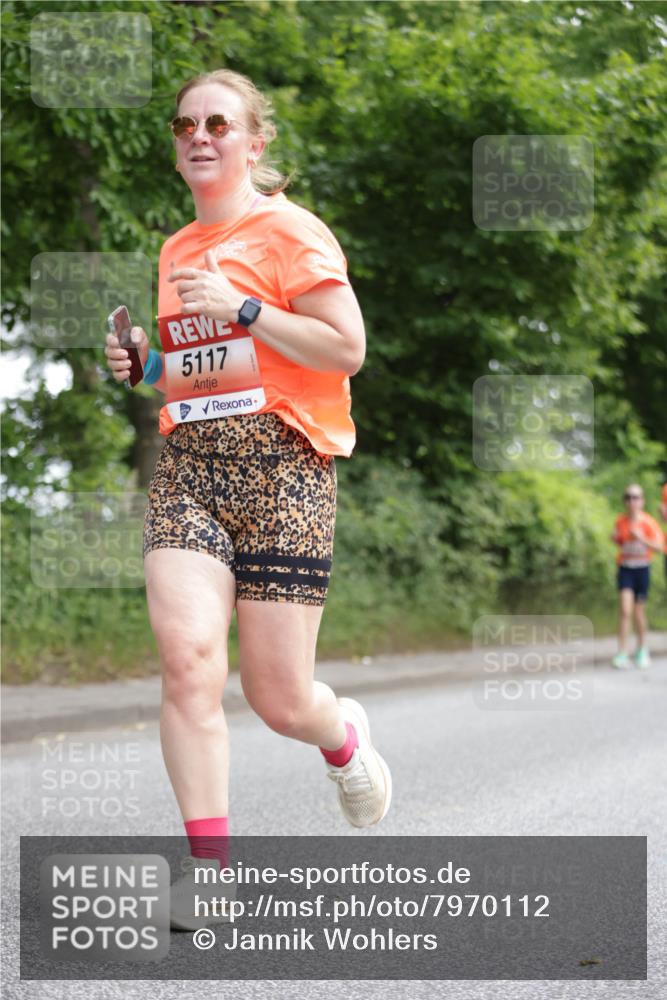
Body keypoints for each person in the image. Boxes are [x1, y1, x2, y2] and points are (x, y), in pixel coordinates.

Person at [104, 69, 391, 929]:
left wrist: (245, 306)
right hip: (192, 469)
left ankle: (339, 736)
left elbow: (345, 349)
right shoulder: (174, 249)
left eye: (218, 123)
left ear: (253, 140)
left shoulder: (290, 231)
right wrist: (145, 370)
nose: (199, 136)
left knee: (277, 699)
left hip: (285, 473)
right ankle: (211, 873)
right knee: (189, 662)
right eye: (184, 123)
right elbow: (204, 372)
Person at [610, 483, 664, 669]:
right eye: (628, 497)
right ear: (625, 501)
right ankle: (622, 652)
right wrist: (615, 538)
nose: (632, 501)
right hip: (626, 569)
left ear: (642, 501)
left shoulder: (649, 523)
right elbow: (618, 540)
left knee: (639, 612)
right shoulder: (620, 521)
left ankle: (642, 649)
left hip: (642, 569)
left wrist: (642, 538)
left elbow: (660, 547)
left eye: (636, 497)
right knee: (625, 610)